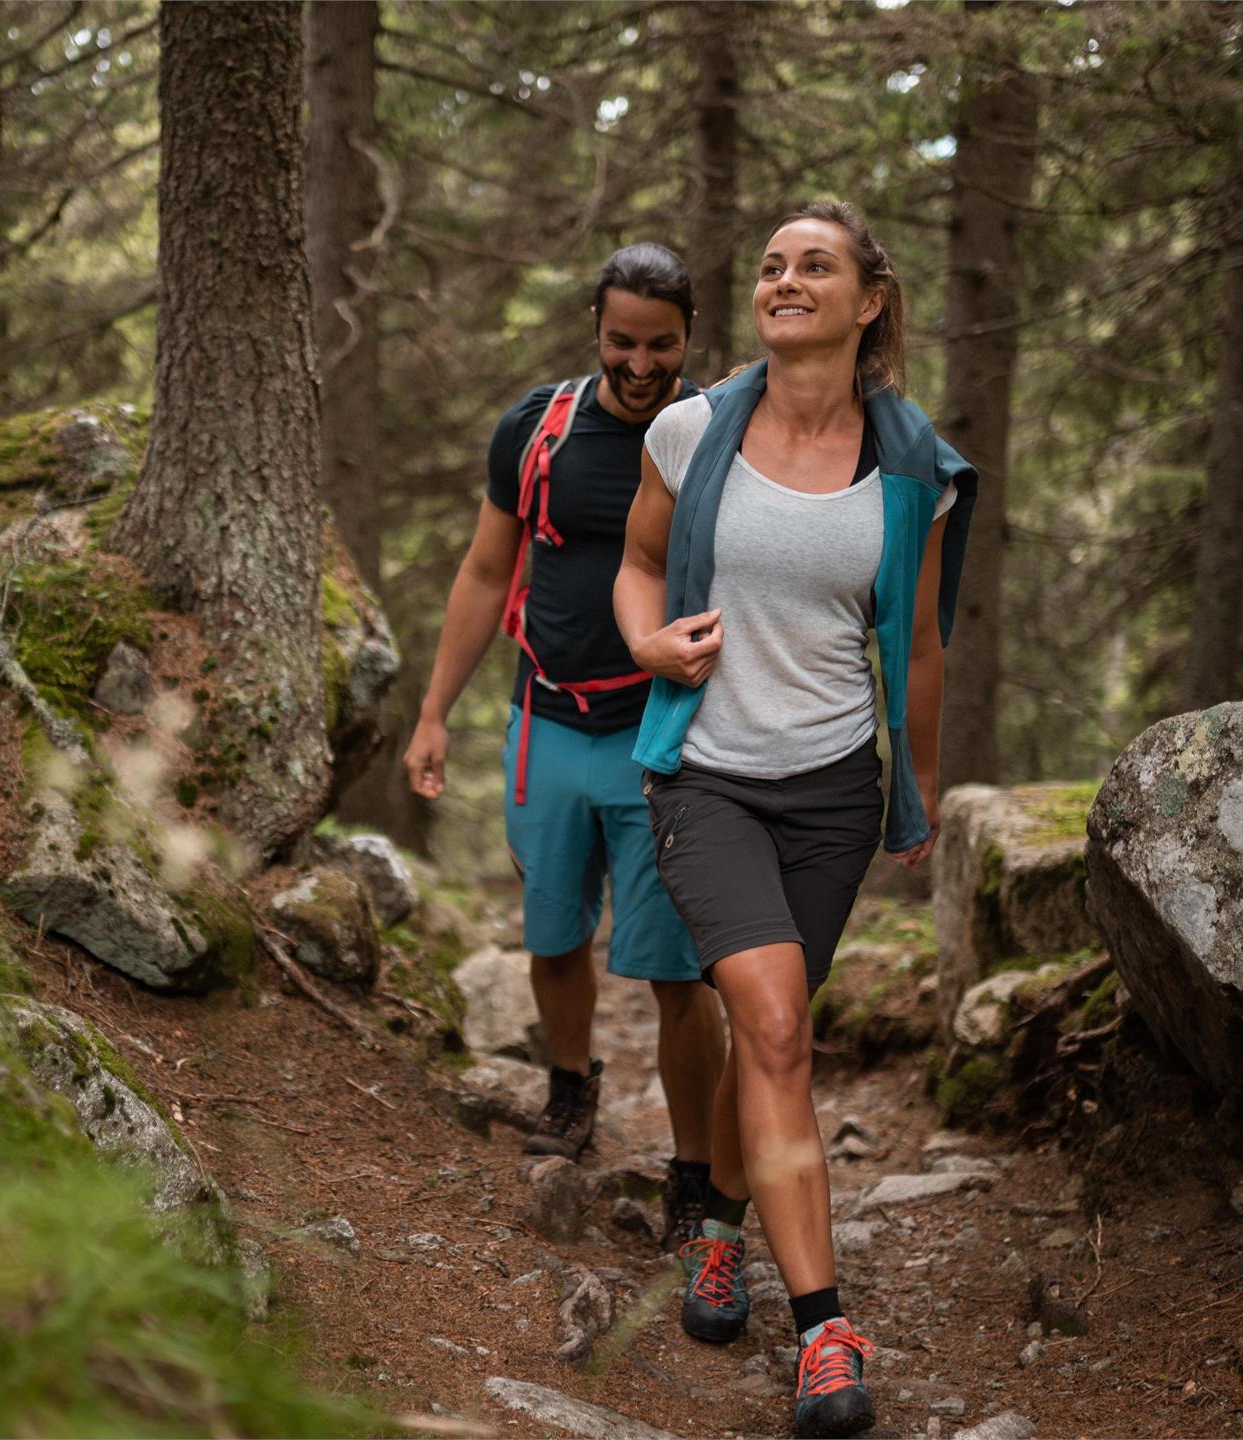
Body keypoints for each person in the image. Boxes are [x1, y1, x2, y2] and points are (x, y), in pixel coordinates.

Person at [614, 201, 976, 1439]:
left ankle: (718, 1230)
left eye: (813, 265)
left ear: (868, 300)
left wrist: (914, 790)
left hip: (830, 790)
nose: (784, 280)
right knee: (770, 1022)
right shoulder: (692, 426)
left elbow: (919, 648)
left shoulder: (914, 467)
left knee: (768, 1033)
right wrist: (646, 641)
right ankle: (826, 1327)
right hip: (703, 772)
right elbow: (639, 564)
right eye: (769, 266)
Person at [402, 244, 728, 1256]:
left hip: (664, 736)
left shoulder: (718, 436)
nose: (640, 364)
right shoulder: (535, 430)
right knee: (552, 937)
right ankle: (569, 1089)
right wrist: (432, 713)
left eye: (662, 345)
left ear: (690, 339)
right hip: (544, 722)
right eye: (623, 341)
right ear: (596, 328)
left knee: (678, 972)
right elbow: (484, 569)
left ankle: (695, 1169)